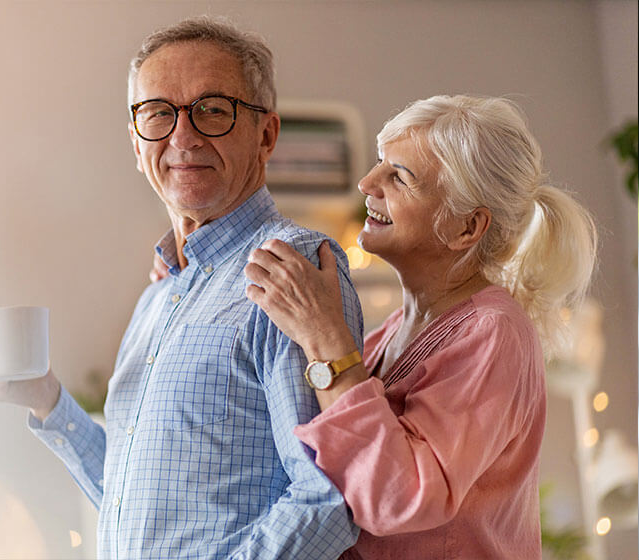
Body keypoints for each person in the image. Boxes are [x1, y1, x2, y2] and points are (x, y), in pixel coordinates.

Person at [0, 16, 363, 560]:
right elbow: (132, 500)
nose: (183, 136)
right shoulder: (158, 295)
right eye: (158, 113)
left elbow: (330, 496)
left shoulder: (293, 267)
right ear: (137, 145)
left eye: (212, 109)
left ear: (267, 134)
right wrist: (46, 401)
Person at [241, 94, 598, 559]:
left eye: (400, 177)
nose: (367, 183)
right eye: (378, 164)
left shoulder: (493, 332)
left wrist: (323, 336)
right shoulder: (394, 330)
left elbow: (400, 497)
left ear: (466, 227)